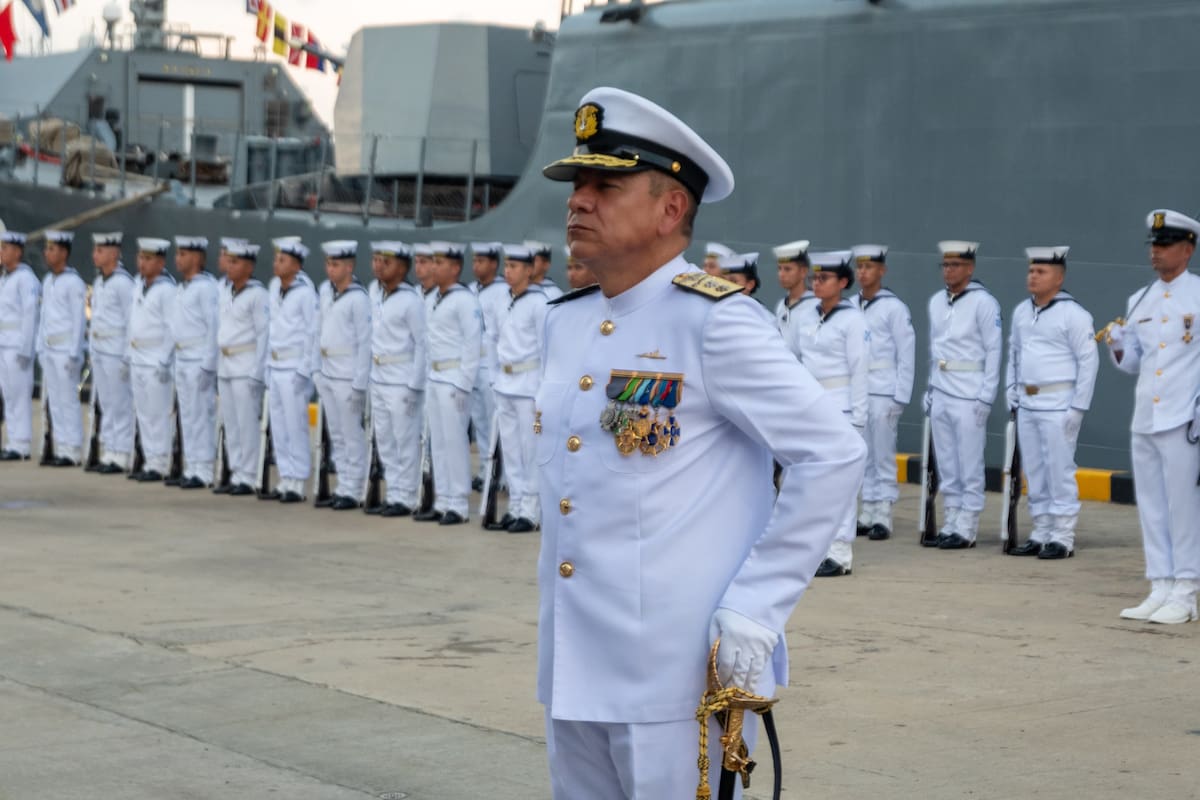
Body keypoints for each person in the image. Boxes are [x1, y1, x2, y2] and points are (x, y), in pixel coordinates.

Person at [537, 86, 866, 796]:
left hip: (675, 675)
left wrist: (758, 606)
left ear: (671, 208)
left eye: (605, 184)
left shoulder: (716, 322)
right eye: (577, 184)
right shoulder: (563, 322)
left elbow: (833, 452)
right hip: (575, 663)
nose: (579, 201)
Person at [1108, 209, 1200, 624]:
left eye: (1164, 246)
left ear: (1188, 249)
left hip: (1185, 416)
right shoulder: (1138, 299)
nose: (1156, 254)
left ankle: (1186, 589)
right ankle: (1160, 583)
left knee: (1185, 506)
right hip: (1146, 414)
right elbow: (1135, 364)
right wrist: (1118, 347)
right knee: (1151, 504)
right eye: (1153, 246)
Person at [1004, 246, 1098, 559]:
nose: (1033, 276)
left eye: (1041, 272)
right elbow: (1014, 353)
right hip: (1028, 404)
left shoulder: (1074, 315)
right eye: (1031, 271)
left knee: (1059, 471)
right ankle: (1041, 530)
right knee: (1035, 471)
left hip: (1059, 405)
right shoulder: (1021, 312)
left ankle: (1062, 536)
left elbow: (1088, 362)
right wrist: (1011, 388)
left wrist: (1078, 408)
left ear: (1058, 278)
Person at [789, 250, 868, 575]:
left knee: (841, 484)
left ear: (843, 282)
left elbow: (860, 369)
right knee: (811, 481)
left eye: (824, 278)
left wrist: (859, 416)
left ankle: (840, 553)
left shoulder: (853, 319)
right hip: (811, 407)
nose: (816, 284)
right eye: (815, 278)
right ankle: (818, 549)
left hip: (841, 407)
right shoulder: (806, 316)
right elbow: (792, 360)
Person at [924, 240, 1002, 549]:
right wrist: (930, 387)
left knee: (969, 461)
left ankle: (967, 525)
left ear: (969, 268)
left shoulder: (984, 303)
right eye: (945, 265)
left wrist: (987, 395)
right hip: (942, 388)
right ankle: (951, 519)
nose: (949, 270)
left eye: (955, 265)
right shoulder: (936, 302)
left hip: (970, 391)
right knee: (947, 462)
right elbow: (934, 348)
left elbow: (994, 349)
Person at [413, 242, 482, 525]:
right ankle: (442, 500)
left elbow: (472, 343)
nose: (433, 267)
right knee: (438, 443)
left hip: (454, 379)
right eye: (433, 262)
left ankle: (459, 504)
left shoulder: (464, 300)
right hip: (435, 377)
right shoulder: (432, 299)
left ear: (455, 268)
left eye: (440, 263)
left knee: (454, 443)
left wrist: (464, 384)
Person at [851, 244, 915, 540]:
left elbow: (906, 353)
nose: (863, 272)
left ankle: (883, 513)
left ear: (882, 270)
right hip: (859, 390)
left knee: (883, 454)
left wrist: (901, 396)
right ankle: (866, 510)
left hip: (884, 389)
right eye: (859, 267)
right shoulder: (851, 305)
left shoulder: (894, 308)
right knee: (862, 453)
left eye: (869, 267)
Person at [486, 243, 547, 533]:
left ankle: (531, 511)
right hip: (505, 383)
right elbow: (493, 339)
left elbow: (547, 350)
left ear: (529, 270)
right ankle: (515, 505)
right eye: (506, 266)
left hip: (529, 384)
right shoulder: (501, 300)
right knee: (510, 450)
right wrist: (493, 376)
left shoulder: (540, 303)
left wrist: (544, 390)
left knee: (529, 450)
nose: (508, 272)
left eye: (514, 267)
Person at [368, 241, 426, 517]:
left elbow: (421, 344)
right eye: (377, 260)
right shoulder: (373, 292)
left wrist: (414, 385)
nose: (379, 265)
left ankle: (407, 495)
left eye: (386, 261)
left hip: (401, 379)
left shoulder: (411, 300)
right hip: (378, 377)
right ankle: (394, 492)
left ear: (402, 268)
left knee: (405, 440)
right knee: (385, 440)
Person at [316, 240, 371, 511]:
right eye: (328, 263)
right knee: (336, 434)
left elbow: (364, 342)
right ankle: (343, 484)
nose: (330, 269)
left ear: (349, 266)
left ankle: (354, 488)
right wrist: (316, 369)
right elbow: (317, 331)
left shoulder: (358, 298)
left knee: (351, 434)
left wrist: (360, 382)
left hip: (347, 374)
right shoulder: (325, 291)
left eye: (335, 264)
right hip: (327, 372)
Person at [266, 237, 320, 502]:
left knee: (295, 424)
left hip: (294, 367)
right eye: (276, 258)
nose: (276, 264)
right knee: (278, 425)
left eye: (282, 260)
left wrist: (305, 370)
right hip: (276, 365)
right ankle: (285, 476)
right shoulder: (274, 286)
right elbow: (270, 328)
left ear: (296, 265)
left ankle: (298, 480)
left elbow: (313, 333)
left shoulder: (306, 292)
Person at [215, 241, 270, 497]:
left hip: (245, 364)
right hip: (225, 364)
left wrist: (258, 372)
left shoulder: (257, 294)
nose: (229, 265)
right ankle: (236, 470)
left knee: (247, 424)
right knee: (232, 423)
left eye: (235, 262)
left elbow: (263, 335)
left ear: (248, 266)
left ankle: (248, 475)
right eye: (229, 260)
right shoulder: (225, 290)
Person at [170, 236, 220, 488]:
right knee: (187, 415)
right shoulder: (183, 287)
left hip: (199, 357)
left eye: (184, 254)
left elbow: (213, 327)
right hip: (182, 358)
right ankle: (192, 466)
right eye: (178, 254)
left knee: (201, 414)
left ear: (197, 258)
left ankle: (204, 469)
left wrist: (209, 362)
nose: (178, 259)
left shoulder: (206, 287)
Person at [126, 238, 177, 482]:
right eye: (140, 258)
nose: (142, 263)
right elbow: (132, 321)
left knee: (158, 413)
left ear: (160, 262)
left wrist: (165, 360)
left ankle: (160, 461)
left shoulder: (167, 290)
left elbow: (172, 328)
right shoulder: (138, 284)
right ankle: (150, 459)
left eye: (148, 259)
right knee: (144, 413)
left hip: (156, 358)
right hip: (138, 357)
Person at [36, 230, 88, 466]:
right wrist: (40, 346)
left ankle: (73, 449)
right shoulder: (48, 281)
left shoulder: (73, 282)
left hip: (66, 349)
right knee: (54, 401)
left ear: (64, 253)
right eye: (47, 249)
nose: (48, 253)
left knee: (68, 400)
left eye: (53, 249)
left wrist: (75, 352)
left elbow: (79, 320)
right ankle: (61, 446)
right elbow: (43, 316)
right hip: (50, 349)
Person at [88, 232, 136, 473]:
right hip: (100, 349)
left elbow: (131, 321)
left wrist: (128, 355)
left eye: (100, 250)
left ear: (114, 253)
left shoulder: (123, 282)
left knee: (120, 403)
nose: (95, 254)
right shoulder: (99, 282)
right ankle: (110, 449)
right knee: (106, 402)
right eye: (95, 250)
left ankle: (122, 452)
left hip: (116, 350)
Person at [469, 242, 509, 493]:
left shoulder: (502, 291)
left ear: (494, 264)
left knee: (497, 423)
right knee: (480, 422)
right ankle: (485, 468)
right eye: (474, 261)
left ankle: (501, 473)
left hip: (490, 365)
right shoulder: (470, 290)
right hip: (473, 364)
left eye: (481, 261)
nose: (476, 266)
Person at [0, 232, 40, 460]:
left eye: (5, 248)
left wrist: (26, 349)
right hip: (3, 344)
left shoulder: (26, 279)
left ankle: (21, 444)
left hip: (16, 347)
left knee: (18, 395)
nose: (1, 252)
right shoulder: (6, 278)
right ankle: (13, 441)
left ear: (17, 252)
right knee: (8, 394)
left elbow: (29, 315)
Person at [773, 239, 815, 342]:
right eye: (779, 269)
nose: (781, 274)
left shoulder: (815, 305)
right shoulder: (782, 305)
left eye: (787, 269)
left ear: (803, 271)